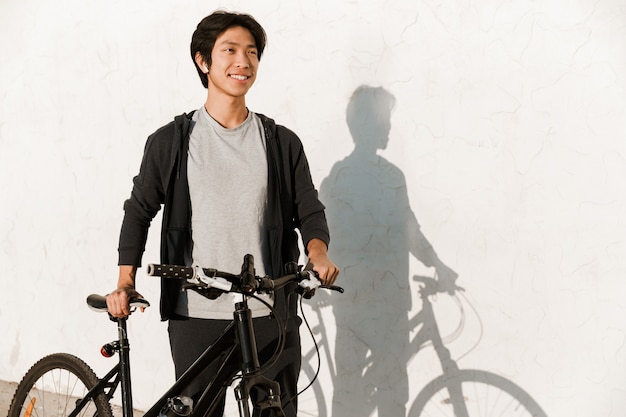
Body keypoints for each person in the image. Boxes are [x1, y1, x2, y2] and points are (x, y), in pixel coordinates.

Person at [105, 10, 339, 417]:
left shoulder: (281, 143)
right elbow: (139, 211)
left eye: (251, 52)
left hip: (270, 311)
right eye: (229, 50)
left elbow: (309, 208)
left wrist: (317, 251)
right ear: (203, 61)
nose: (242, 62)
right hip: (197, 313)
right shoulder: (173, 141)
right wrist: (125, 281)